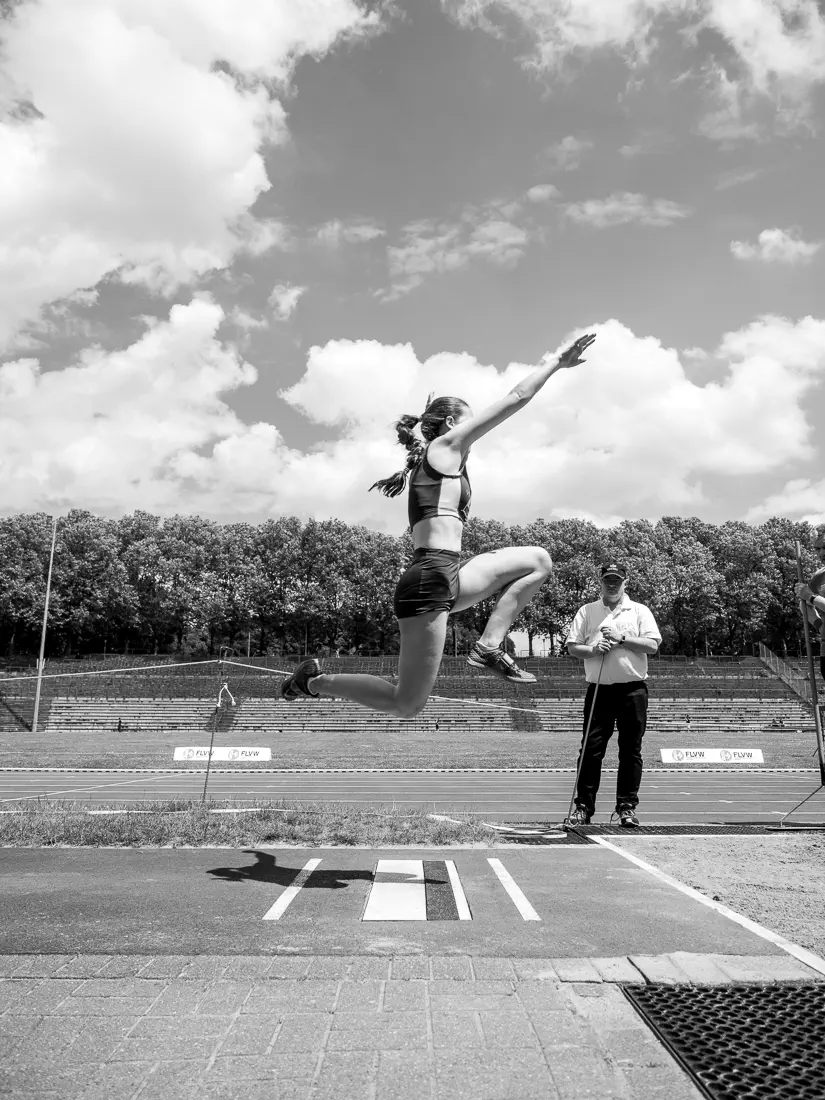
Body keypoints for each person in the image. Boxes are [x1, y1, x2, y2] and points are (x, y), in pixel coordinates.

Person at [279, 333, 597, 716]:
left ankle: (489, 647)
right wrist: (556, 362)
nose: (475, 429)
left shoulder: (448, 462)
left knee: (538, 561)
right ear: (450, 423)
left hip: (450, 573)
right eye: (468, 420)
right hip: (429, 580)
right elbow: (516, 398)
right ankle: (312, 681)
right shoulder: (443, 449)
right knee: (407, 703)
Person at [564, 562, 662, 828]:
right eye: (607, 579)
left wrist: (621, 639)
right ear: (600, 581)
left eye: (616, 579)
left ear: (624, 582)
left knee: (630, 751)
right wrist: (594, 649)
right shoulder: (587, 611)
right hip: (599, 690)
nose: (612, 584)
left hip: (633, 689)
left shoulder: (639, 610)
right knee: (591, 750)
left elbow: (652, 645)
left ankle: (626, 807)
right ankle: (583, 807)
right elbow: (573, 647)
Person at [794, 524, 825, 684]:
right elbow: (804, 605)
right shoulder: (818, 576)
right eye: (817, 549)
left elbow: (810, 598)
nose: (822, 553)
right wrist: (819, 625)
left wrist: (811, 597)